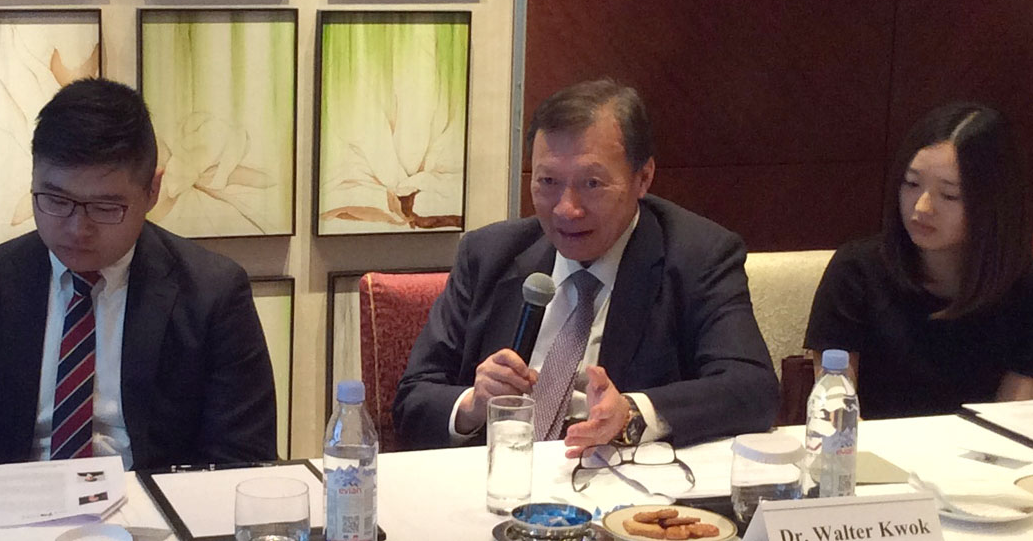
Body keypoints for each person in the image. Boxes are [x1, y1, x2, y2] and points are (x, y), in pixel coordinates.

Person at [394, 79, 779, 455]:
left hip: (621, 484)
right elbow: (413, 399)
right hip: (500, 479)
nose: (567, 209)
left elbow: (751, 388)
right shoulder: (487, 255)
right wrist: (473, 405)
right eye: (548, 181)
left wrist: (632, 414)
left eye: (592, 184)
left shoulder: (698, 256)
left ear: (643, 178)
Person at [0, 78, 276, 485]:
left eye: (105, 207)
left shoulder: (213, 293)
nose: (78, 228)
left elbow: (241, 461)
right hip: (11, 505)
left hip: (154, 505)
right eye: (55, 200)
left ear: (152, 191)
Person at [804, 102, 1033, 418]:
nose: (922, 207)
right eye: (911, 184)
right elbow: (835, 414)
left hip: (985, 449)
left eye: (949, 195)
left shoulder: (1023, 286)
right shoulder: (857, 271)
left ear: (994, 203)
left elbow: (1011, 420)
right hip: (872, 446)